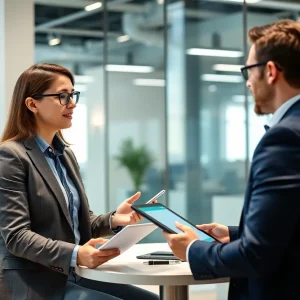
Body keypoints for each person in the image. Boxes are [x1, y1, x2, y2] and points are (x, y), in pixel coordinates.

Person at [163, 19, 300, 300]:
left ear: (271, 71)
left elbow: (256, 256)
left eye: (249, 71)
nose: (248, 82)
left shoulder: (284, 139)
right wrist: (235, 234)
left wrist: (192, 249)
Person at [0, 63, 159, 300]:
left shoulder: (65, 155)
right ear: (32, 104)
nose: (72, 103)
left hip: (75, 275)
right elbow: (17, 237)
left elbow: (77, 224)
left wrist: (115, 219)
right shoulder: (11, 156)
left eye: (73, 95)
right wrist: (75, 254)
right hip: (35, 282)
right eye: (62, 96)